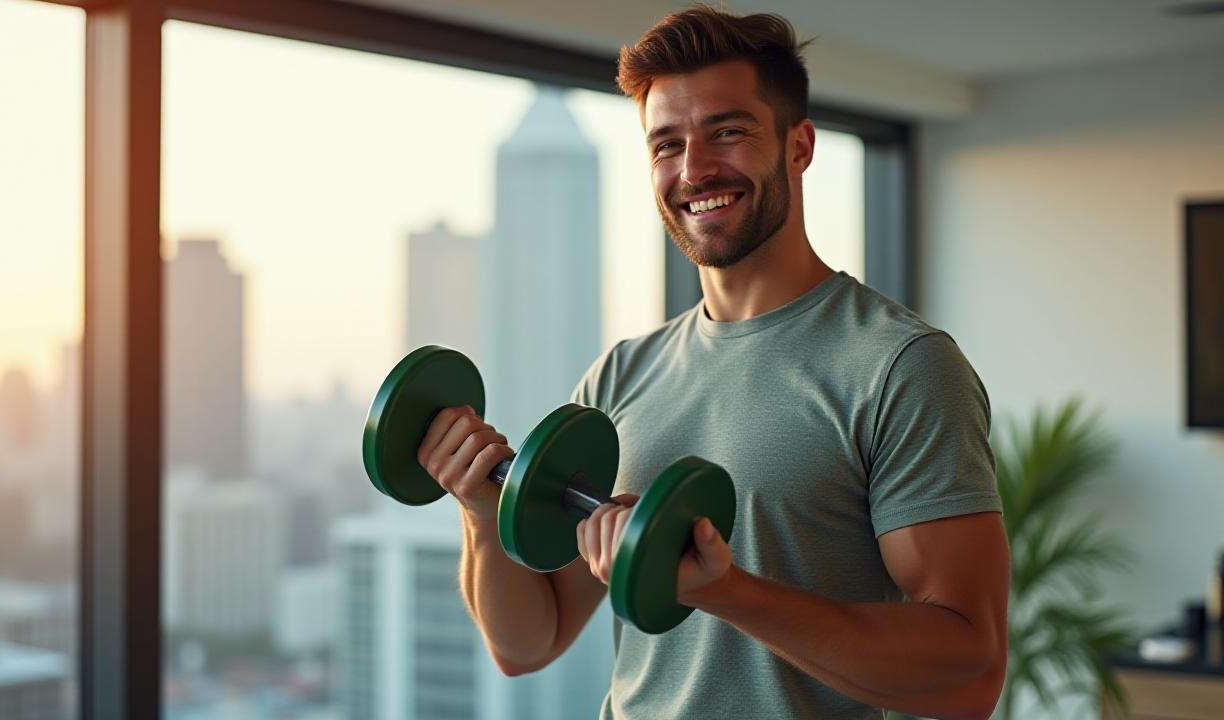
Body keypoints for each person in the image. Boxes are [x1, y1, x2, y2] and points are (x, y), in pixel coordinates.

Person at [416, 5, 1009, 719]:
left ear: (799, 146)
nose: (694, 170)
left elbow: (968, 673)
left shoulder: (899, 367)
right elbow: (529, 642)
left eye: (727, 132)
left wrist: (724, 592)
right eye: (666, 145)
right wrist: (483, 513)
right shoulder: (622, 377)